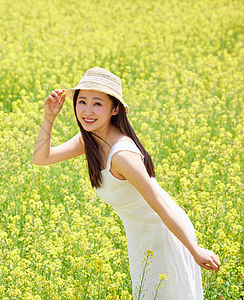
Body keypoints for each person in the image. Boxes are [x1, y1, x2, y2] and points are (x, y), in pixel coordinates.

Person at [32, 67, 220, 299]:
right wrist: (49, 117)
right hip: (140, 234)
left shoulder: (122, 155)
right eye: (82, 102)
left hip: (164, 232)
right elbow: (42, 159)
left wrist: (194, 250)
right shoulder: (89, 139)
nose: (87, 111)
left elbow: (161, 203)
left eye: (97, 103)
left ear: (115, 108)